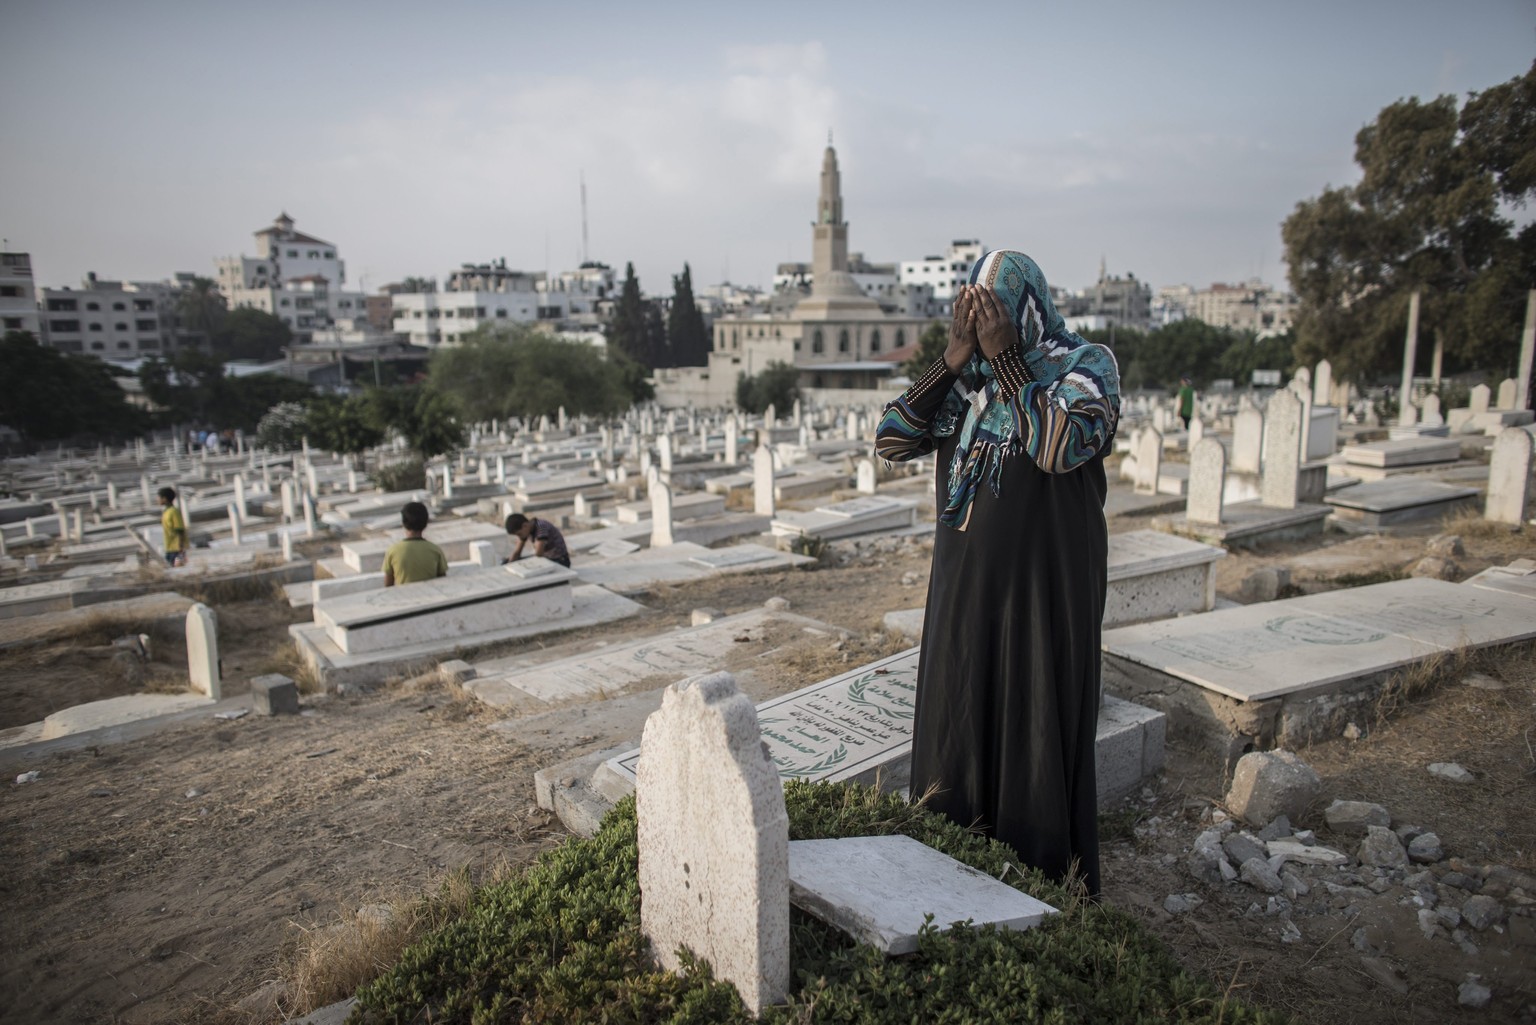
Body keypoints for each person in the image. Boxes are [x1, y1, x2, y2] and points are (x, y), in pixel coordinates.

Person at [875, 249, 1120, 896]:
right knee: (957, 731)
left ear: (1027, 308)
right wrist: (953, 359)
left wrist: (1012, 360)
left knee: (1033, 730)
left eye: (993, 317)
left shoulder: (1085, 366)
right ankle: (951, 880)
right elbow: (892, 439)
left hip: (1044, 596)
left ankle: (1038, 889)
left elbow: (1058, 445)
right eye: (973, 318)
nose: (983, 332)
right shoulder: (968, 382)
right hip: (963, 596)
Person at [382, 501, 448, 586]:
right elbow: (443, 582)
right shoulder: (435, 550)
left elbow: (388, 585)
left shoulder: (392, 551)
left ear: (403, 523)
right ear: (426, 523)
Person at [504, 513, 570, 568]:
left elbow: (538, 554)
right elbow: (517, 552)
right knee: (506, 562)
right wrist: (509, 565)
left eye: (519, 534)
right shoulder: (526, 530)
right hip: (546, 558)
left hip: (560, 560)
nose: (519, 537)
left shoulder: (541, 527)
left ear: (525, 525)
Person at [157, 487, 187, 567]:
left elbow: (179, 529)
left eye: (159, 497)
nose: (158, 499)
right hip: (169, 546)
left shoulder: (174, 511)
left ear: (165, 499)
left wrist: (180, 546)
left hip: (176, 547)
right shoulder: (166, 511)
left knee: (177, 568)